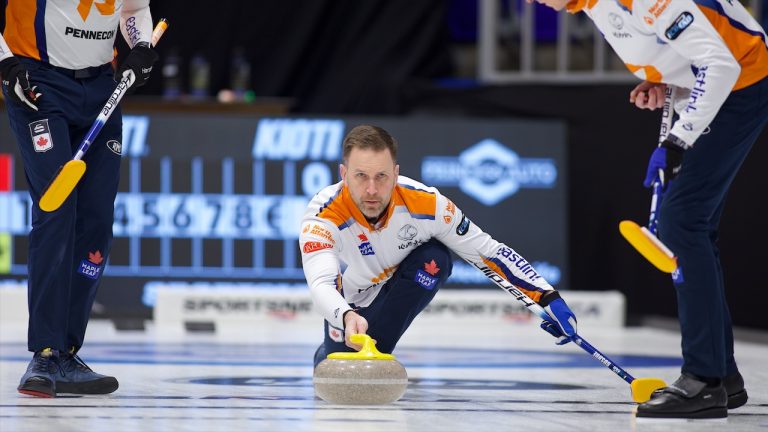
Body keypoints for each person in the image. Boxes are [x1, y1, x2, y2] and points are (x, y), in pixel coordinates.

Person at [530, 0, 768, 420]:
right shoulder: (593, 5)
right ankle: (722, 376)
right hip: (726, 87)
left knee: (682, 223)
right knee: (693, 227)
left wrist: (678, 140)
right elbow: (684, 50)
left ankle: (704, 380)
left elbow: (721, 65)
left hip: (741, 86)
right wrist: (667, 82)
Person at [300, 125, 578, 368]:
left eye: (381, 176)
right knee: (333, 365)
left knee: (435, 259)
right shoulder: (323, 213)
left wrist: (548, 299)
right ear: (343, 173)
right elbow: (321, 283)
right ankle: (329, 351)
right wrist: (346, 315)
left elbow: (487, 253)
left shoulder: (429, 205)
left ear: (396, 174)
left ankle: (378, 350)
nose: (372, 189)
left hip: (397, 287)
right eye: (361, 176)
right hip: (350, 305)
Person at [0, 0, 159, 397]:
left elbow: (135, 11)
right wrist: (4, 63)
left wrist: (140, 48)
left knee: (96, 221)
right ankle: (44, 352)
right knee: (56, 209)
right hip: (37, 83)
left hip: (102, 86)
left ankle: (67, 353)